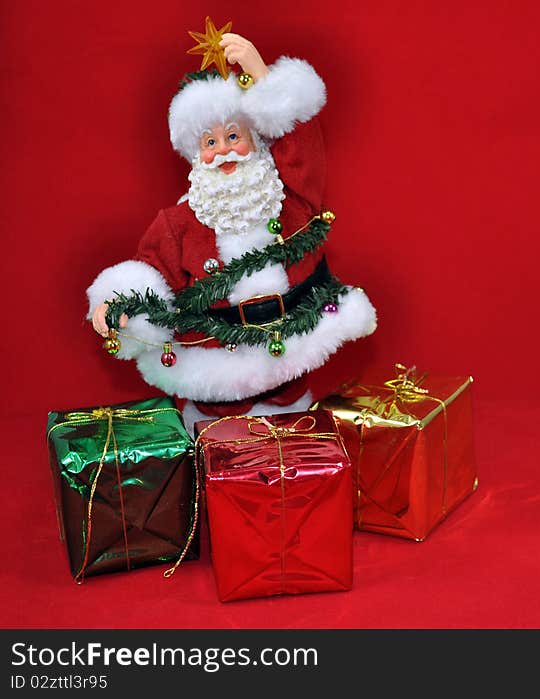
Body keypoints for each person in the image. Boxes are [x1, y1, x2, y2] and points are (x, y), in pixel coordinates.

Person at [87, 33, 377, 432]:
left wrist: (261, 76)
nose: (223, 150)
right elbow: (150, 273)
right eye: (210, 142)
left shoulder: (289, 197)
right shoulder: (179, 223)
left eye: (233, 136)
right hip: (219, 363)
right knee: (223, 433)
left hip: (291, 346)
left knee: (292, 417)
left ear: (255, 141)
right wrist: (116, 303)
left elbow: (303, 149)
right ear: (195, 154)